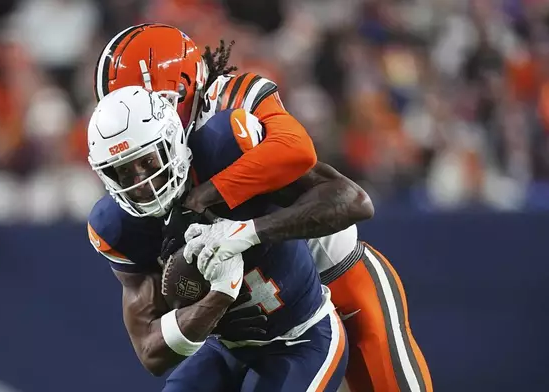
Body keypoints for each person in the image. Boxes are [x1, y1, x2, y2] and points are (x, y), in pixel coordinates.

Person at [93, 23, 432, 392]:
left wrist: (204, 199)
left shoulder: (231, 114)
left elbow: (301, 154)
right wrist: (213, 305)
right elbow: (154, 332)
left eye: (151, 100)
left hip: (334, 268)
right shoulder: (136, 167)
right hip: (261, 309)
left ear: (185, 87)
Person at [86, 86, 347, 391]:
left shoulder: (226, 148)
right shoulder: (118, 225)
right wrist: (219, 296)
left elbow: (349, 199)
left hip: (302, 336)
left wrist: (248, 232)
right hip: (225, 349)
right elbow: (150, 352)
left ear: (172, 139)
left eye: (148, 161)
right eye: (124, 172)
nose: (142, 182)